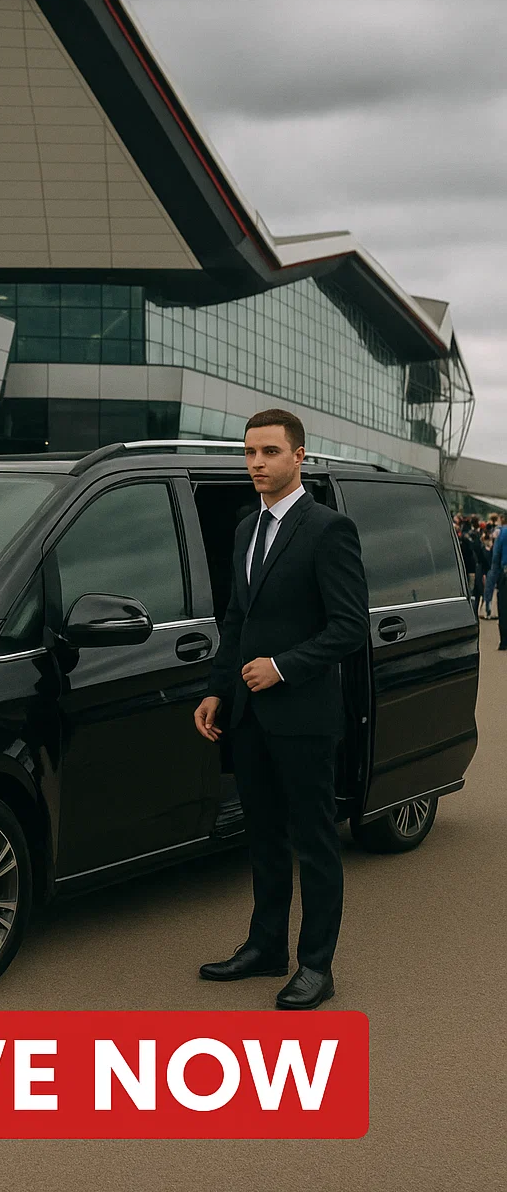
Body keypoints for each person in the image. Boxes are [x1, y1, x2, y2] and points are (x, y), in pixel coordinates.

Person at [193, 408, 369, 1011]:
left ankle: (316, 965)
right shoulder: (246, 528)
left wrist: (284, 665)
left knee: (313, 841)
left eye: (269, 452)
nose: (257, 464)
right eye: (249, 453)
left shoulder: (328, 529)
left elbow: (350, 628)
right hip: (249, 717)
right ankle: (265, 947)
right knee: (263, 837)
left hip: (303, 717)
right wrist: (220, 686)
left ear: (298, 456)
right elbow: (237, 619)